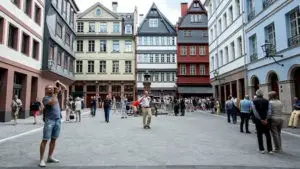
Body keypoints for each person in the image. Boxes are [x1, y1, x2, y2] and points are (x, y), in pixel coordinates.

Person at [39, 83, 63, 167]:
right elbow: (53, 103)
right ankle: (42, 159)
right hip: (49, 121)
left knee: (54, 139)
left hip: (57, 120)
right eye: (49, 88)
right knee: (45, 140)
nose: (51, 89)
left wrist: (58, 84)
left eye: (52, 88)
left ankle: (50, 157)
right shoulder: (45, 98)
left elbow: (63, 87)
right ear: (45, 90)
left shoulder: (55, 96)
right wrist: (55, 93)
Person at [252, 89, 273, 154]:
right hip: (266, 120)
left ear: (256, 94)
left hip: (259, 121)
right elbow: (269, 111)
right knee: (268, 134)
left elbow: (255, 112)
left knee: (259, 134)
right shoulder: (267, 101)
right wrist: (266, 119)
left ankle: (262, 149)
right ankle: (270, 150)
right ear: (262, 94)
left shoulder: (253, 101)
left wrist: (260, 119)